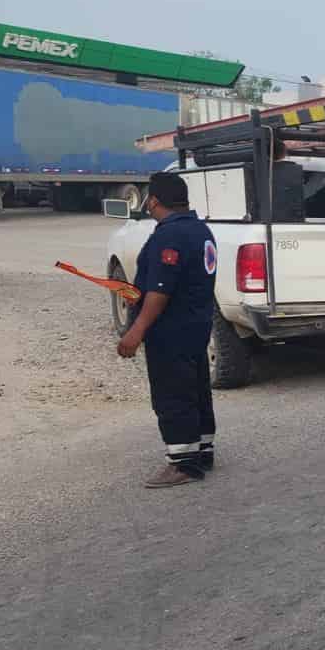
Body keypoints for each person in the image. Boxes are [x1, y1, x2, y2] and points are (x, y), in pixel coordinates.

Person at [115, 172, 219, 488]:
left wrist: (136, 332)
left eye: (148, 197)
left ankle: (183, 463)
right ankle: (202, 449)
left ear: (155, 200)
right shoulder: (201, 230)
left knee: (173, 393)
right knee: (196, 389)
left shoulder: (169, 235)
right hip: (196, 326)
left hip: (171, 330)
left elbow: (161, 291)